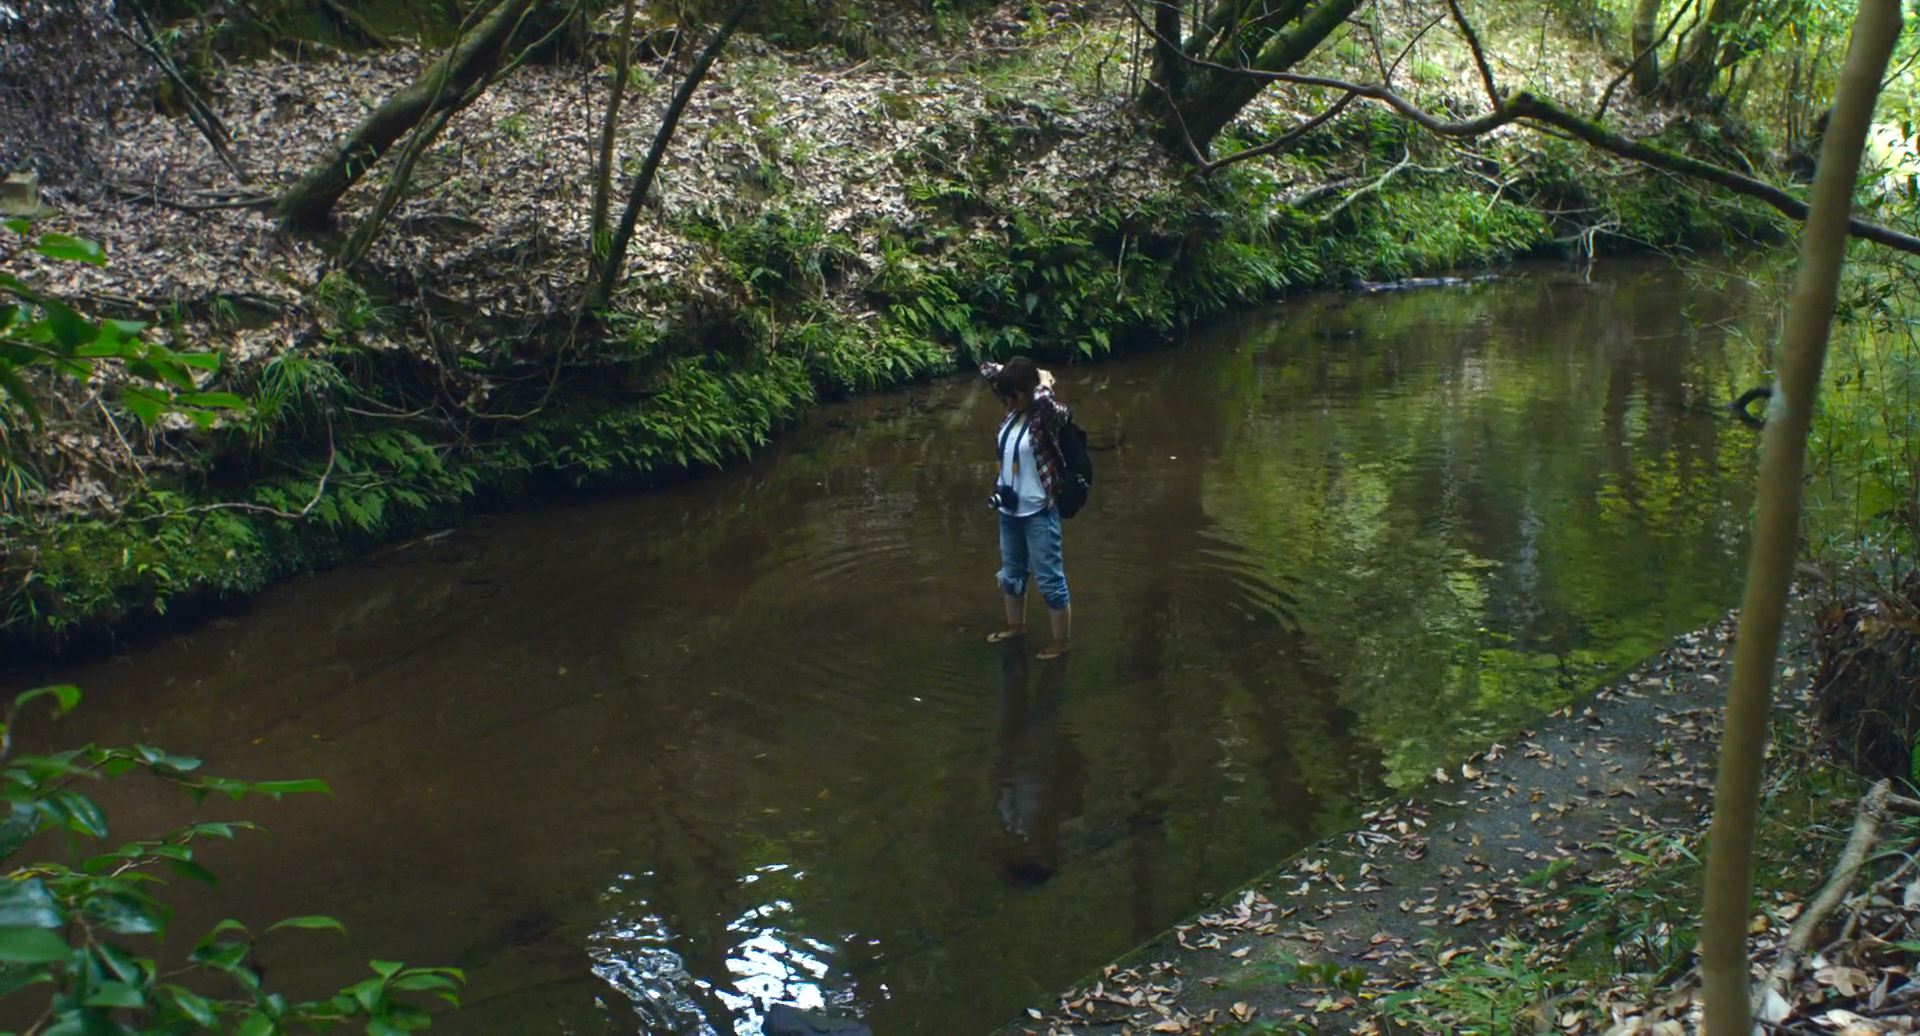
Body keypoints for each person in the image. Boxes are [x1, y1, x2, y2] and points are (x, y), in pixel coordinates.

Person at [980, 356, 1072, 659]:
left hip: (1038, 512)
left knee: (1049, 579)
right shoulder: (1013, 412)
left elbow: (1045, 403)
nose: (1005, 404)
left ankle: (1061, 643)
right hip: (1009, 510)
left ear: (1024, 393)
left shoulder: (1045, 416)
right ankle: (1015, 626)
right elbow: (987, 368)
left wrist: (1043, 384)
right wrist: (1018, 376)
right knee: (1011, 573)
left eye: (1010, 398)